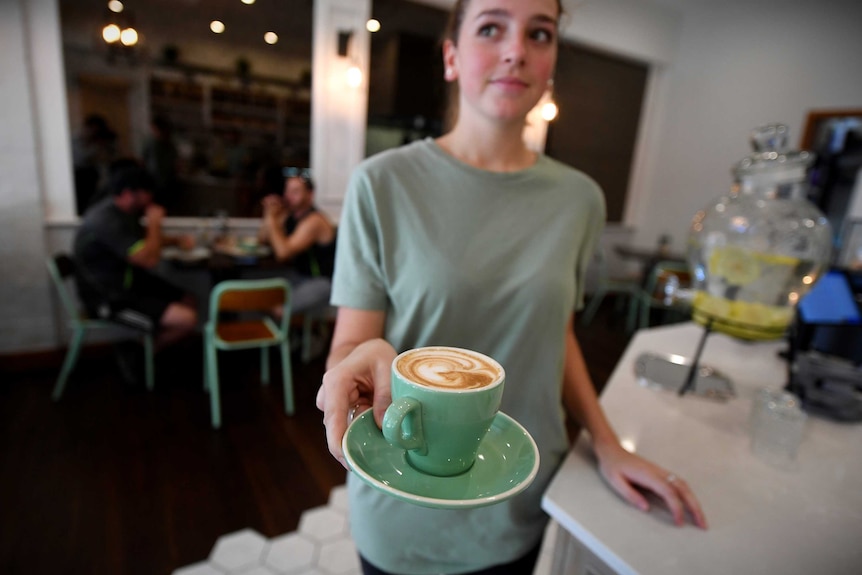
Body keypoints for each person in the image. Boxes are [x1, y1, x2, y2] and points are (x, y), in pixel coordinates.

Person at [315, 1, 708, 574]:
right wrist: (357, 361)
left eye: (540, 33)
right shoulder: (382, 184)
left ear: (551, 62)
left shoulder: (580, 200)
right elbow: (351, 344)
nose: (516, 49)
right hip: (406, 493)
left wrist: (604, 440)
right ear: (451, 56)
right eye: (491, 27)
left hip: (518, 495)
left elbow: (558, 337)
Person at [73, 164, 198, 354]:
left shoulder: (122, 213)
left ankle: (152, 351)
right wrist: (155, 223)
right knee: (188, 319)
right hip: (108, 298)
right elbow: (148, 260)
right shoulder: (106, 221)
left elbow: (143, 243)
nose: (151, 199)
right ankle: (140, 354)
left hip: (129, 283)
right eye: (147, 193)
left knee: (188, 299)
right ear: (129, 194)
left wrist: (175, 240)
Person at [258, 169, 337, 315]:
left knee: (278, 310)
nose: (289, 196)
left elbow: (283, 253)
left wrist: (271, 219)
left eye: (295, 191)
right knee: (263, 297)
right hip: (300, 276)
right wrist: (269, 215)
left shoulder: (315, 221)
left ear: (310, 194)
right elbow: (262, 240)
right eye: (287, 191)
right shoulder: (290, 216)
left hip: (322, 282)